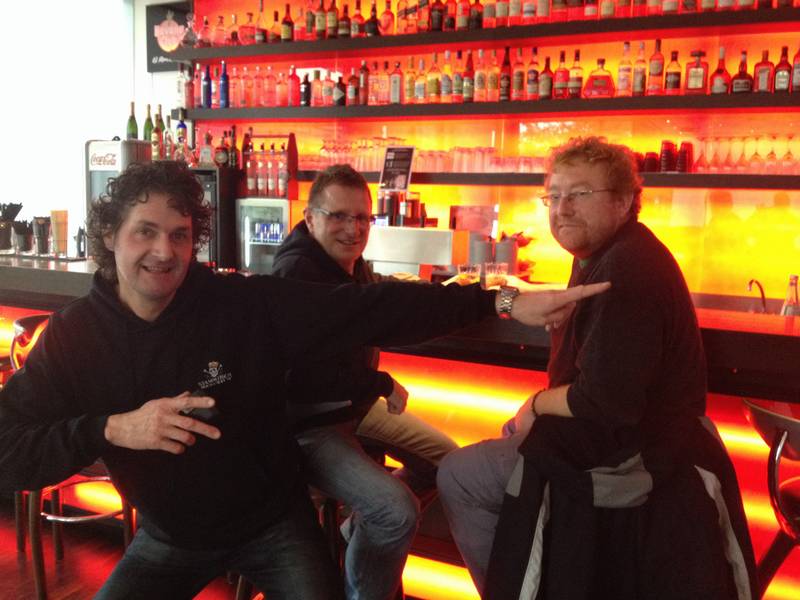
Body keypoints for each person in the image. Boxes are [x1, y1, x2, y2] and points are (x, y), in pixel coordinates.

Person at [0, 160, 609, 599]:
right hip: (170, 535)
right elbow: (7, 449)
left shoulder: (239, 305)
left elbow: (373, 309)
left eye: (180, 235)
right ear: (110, 235)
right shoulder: (78, 336)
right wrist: (112, 429)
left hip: (271, 523)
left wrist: (501, 301)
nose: (165, 252)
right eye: (146, 232)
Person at [436, 137, 758, 599]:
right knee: (507, 441)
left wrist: (536, 404)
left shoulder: (624, 269)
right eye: (554, 196)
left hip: (633, 452)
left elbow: (606, 402)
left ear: (624, 201)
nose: (562, 208)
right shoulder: (600, 254)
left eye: (580, 194)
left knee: (459, 476)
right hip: (620, 437)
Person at [272, 164, 458, 600]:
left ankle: (360, 528)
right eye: (338, 216)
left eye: (361, 218)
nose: (352, 229)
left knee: (448, 462)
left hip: (350, 408)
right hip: (306, 424)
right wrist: (379, 382)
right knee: (396, 511)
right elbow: (305, 379)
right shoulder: (299, 274)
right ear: (310, 217)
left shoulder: (349, 267)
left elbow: (378, 304)